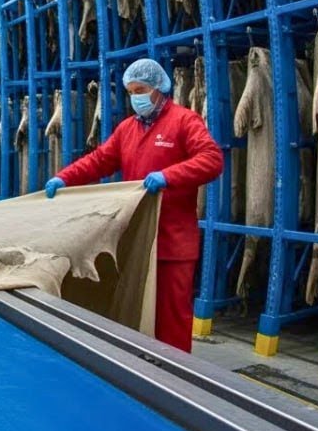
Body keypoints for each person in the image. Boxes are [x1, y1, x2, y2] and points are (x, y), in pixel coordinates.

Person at [44, 58, 222, 353]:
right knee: (137, 310)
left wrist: (169, 176)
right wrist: (65, 178)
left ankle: (175, 375)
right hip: (137, 240)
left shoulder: (184, 121)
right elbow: (99, 160)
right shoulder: (128, 128)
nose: (135, 97)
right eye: (130, 91)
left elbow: (212, 160)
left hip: (172, 243)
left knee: (171, 316)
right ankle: (143, 368)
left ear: (158, 88)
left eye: (140, 90)